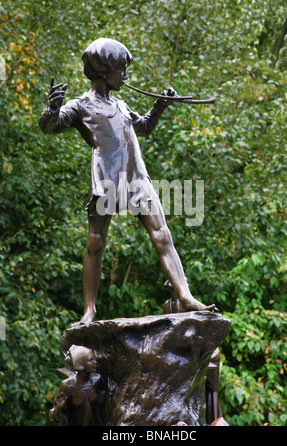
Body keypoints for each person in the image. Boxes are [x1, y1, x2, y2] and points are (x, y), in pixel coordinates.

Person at [39, 37, 215, 324]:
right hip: (107, 181)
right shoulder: (80, 106)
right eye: (122, 69)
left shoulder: (121, 105)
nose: (126, 76)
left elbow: (143, 127)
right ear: (104, 71)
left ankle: (185, 296)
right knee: (95, 243)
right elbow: (49, 127)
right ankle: (89, 311)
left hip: (136, 179)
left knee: (163, 236)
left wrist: (160, 106)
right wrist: (52, 109)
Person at [49, 345, 105, 426]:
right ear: (80, 363)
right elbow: (53, 417)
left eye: (94, 359)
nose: (95, 362)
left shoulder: (97, 380)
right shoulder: (67, 386)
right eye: (90, 360)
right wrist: (59, 408)